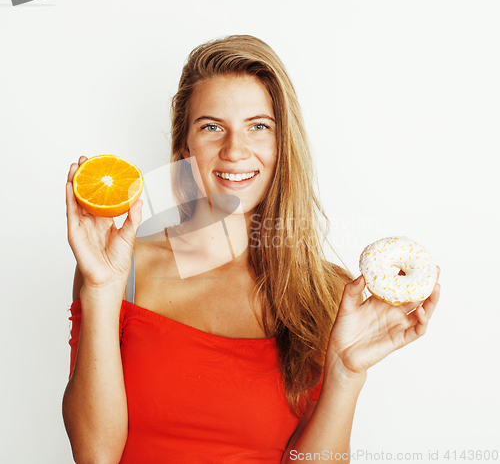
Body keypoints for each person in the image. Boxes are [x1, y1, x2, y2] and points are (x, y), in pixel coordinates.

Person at [62, 35, 441, 463]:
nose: (235, 150)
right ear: (185, 146)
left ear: (282, 145)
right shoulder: (121, 270)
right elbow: (94, 454)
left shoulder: (331, 293)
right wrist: (100, 289)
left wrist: (345, 374)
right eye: (211, 127)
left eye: (258, 126)